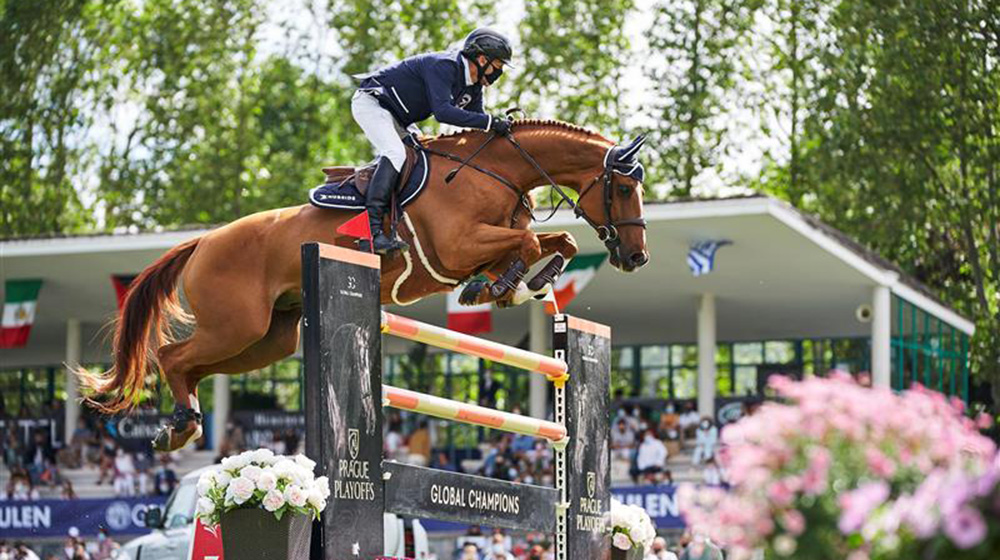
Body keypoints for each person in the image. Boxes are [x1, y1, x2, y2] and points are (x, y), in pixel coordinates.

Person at [352, 28, 513, 255]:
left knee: (426, 157)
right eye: (498, 66)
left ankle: (401, 220)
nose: (500, 72)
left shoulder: (474, 86)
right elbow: (443, 112)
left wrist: (500, 132)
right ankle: (371, 232)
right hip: (373, 103)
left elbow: (477, 124)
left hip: (399, 118)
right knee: (396, 153)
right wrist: (490, 122)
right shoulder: (445, 66)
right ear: (482, 59)